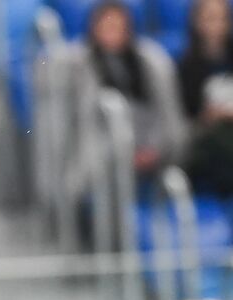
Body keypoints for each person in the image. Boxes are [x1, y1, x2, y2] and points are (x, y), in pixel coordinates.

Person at [69, 0, 186, 186]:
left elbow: (166, 115)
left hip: (150, 149)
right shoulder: (77, 66)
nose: (112, 33)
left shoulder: (150, 62)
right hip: (102, 158)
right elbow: (83, 124)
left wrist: (154, 149)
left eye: (117, 26)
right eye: (106, 26)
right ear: (93, 28)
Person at [178, 0, 233, 196]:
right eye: (209, 18)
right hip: (205, 142)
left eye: (221, 18)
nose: (215, 25)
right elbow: (184, 119)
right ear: (196, 22)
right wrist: (210, 116)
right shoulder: (186, 67)